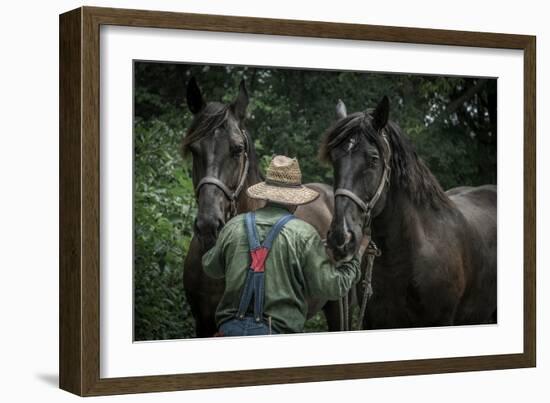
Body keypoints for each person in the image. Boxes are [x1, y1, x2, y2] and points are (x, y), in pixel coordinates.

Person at [202, 155, 367, 336]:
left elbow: (211, 268)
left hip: (229, 333)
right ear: (295, 200)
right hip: (278, 338)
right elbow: (334, 287)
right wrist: (356, 254)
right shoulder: (303, 234)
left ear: (265, 195)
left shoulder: (234, 226)